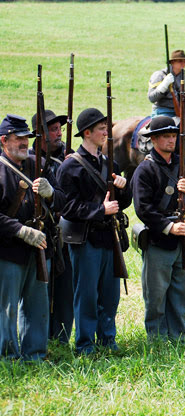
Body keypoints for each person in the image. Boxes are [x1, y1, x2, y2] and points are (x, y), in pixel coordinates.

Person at [57, 108, 131, 354]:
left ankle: (107, 340)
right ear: (86, 133)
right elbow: (67, 206)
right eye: (100, 129)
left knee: (110, 295)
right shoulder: (70, 168)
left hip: (109, 238)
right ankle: (85, 344)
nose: (105, 133)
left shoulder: (110, 164)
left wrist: (123, 187)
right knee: (86, 295)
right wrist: (100, 210)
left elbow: (123, 202)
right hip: (85, 238)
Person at [131, 116, 185, 340]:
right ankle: (156, 338)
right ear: (153, 140)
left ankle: (178, 335)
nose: (171, 140)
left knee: (182, 292)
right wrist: (169, 227)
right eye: (166, 136)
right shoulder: (144, 170)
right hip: (159, 239)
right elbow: (143, 209)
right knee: (155, 294)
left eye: (173, 136)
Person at [0, 115, 64, 360]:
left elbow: (62, 200)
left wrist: (50, 195)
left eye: (27, 138)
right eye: (19, 139)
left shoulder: (39, 163)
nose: (25, 143)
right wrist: (20, 230)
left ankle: (35, 353)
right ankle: (7, 355)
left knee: (37, 307)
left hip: (40, 246)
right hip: (9, 249)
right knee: (7, 308)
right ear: (4, 140)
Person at [30, 109, 73, 344]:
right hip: (42, 233)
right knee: (41, 292)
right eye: (53, 129)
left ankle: (62, 339)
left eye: (59, 128)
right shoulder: (30, 161)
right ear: (40, 133)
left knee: (66, 293)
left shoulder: (70, 157)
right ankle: (40, 340)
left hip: (67, 233)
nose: (58, 133)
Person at [148, 50, 185, 117]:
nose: (183, 63)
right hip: (162, 111)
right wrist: (163, 86)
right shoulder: (159, 75)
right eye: (180, 61)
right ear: (172, 62)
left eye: (184, 61)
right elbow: (151, 98)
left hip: (182, 112)